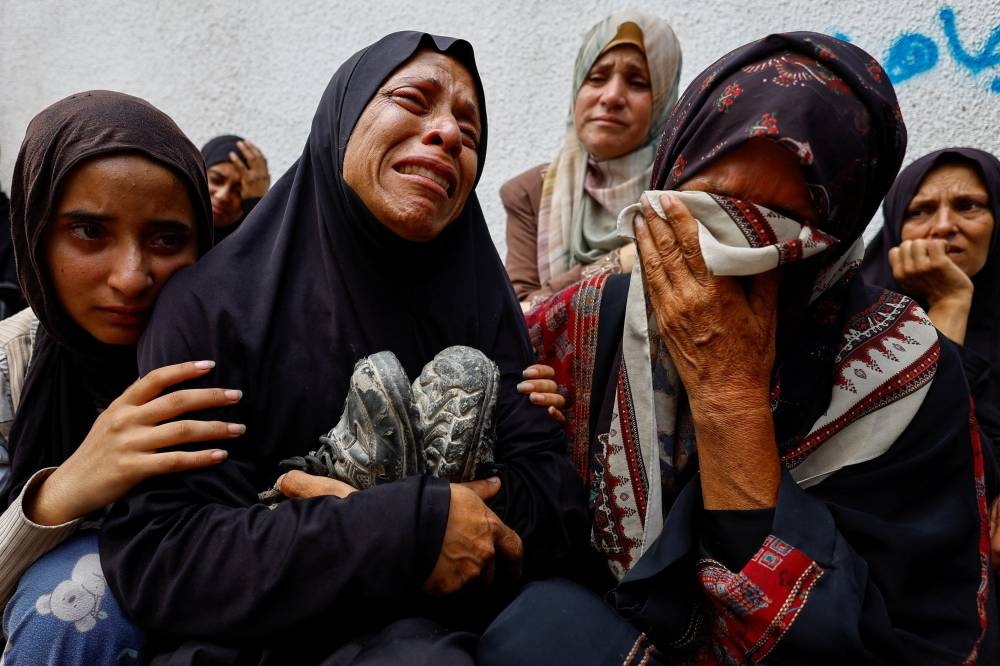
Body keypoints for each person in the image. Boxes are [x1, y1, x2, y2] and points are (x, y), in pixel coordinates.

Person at [479, 33, 999, 664]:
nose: (735, 247)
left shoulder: (909, 375)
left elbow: (913, 633)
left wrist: (728, 401)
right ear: (671, 177)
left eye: (780, 220)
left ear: (838, 239)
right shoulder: (582, 326)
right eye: (711, 205)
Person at [99, 31, 591, 664]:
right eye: (412, 99)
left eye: (469, 131)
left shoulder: (478, 300)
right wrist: (400, 528)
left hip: (468, 621)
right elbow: (168, 553)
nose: (447, 133)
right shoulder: (212, 308)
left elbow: (554, 503)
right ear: (343, 119)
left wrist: (427, 514)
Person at [0, 90, 230, 663]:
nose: (131, 277)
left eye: (166, 239)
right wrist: (59, 494)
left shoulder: (232, 354)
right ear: (35, 232)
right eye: (89, 231)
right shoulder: (8, 365)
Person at [503, 10, 681, 311]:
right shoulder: (529, 193)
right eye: (597, 77)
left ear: (663, 101)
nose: (612, 96)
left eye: (638, 82)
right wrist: (620, 261)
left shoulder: (682, 187)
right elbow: (518, 315)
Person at [862, 148, 1000, 446]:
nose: (943, 226)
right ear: (896, 226)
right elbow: (915, 440)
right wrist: (949, 301)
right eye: (920, 211)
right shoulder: (851, 324)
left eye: (968, 206)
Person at [201, 134, 271, 243]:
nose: (222, 196)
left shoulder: (252, 243)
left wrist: (256, 204)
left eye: (238, 190)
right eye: (216, 180)